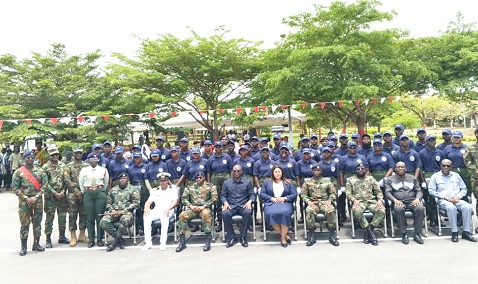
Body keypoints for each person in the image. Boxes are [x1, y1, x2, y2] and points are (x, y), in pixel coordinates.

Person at [428, 159, 477, 242]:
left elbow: (464, 189)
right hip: (444, 201)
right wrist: (445, 197)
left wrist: (458, 196)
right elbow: (431, 190)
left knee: (467, 207)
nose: (446, 167)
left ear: (451, 167)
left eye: (448, 166)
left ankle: (466, 232)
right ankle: (455, 232)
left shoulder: (456, 175)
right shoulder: (435, 176)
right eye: (444, 165)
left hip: (456, 199)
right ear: (440, 166)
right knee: (451, 208)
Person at [12, 150, 50, 256]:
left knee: (37, 223)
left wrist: (37, 196)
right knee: (24, 224)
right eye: (28, 158)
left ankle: (36, 244)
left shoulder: (40, 170)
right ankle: (23, 246)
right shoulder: (19, 172)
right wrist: (25, 197)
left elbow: (45, 184)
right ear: (24, 159)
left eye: (32, 157)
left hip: (37, 201)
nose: (30, 159)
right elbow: (15, 187)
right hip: (24, 202)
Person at [176, 171, 217, 252]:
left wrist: (203, 206)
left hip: (204, 208)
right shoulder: (190, 187)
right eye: (197, 178)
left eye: (200, 177)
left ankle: (207, 240)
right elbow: (184, 198)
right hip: (193, 209)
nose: (198, 179)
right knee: (182, 215)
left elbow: (214, 198)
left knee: (206, 214)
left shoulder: (211, 186)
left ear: (204, 178)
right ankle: (182, 241)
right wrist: (190, 206)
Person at [384, 162, 425, 245]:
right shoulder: (390, 179)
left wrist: (417, 199)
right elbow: (387, 192)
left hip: (412, 201)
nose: (400, 168)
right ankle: (404, 233)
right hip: (398, 201)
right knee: (399, 209)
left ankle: (417, 234)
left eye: (402, 167)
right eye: (398, 167)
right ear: (395, 169)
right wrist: (394, 200)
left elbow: (419, 191)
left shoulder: (412, 178)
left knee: (420, 208)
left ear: (405, 168)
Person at [346, 163, 385, 246]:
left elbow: (378, 191)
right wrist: (354, 200)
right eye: (358, 169)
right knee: (356, 211)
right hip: (359, 202)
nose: (360, 170)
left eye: (362, 168)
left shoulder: (371, 179)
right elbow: (348, 193)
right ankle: (371, 233)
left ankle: (368, 231)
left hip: (371, 201)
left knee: (381, 211)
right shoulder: (351, 180)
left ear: (365, 170)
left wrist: (380, 200)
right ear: (355, 171)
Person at [99, 173, 139, 252]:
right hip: (114, 212)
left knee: (125, 221)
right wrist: (112, 210)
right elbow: (108, 203)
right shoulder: (113, 189)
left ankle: (114, 243)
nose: (122, 180)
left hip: (126, 212)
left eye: (124, 178)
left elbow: (136, 203)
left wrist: (124, 211)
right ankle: (119, 239)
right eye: (121, 178)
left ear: (128, 180)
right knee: (103, 222)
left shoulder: (133, 189)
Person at [301, 164, 339, 247]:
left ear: (321, 171)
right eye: (315, 170)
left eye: (318, 170)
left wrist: (330, 200)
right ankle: (312, 235)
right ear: (312, 171)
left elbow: (333, 193)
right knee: (309, 211)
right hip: (313, 202)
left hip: (324, 202)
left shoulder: (327, 181)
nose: (316, 172)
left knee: (331, 210)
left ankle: (332, 234)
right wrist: (308, 201)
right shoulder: (307, 182)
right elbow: (303, 194)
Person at [260, 165, 298, 248]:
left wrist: (284, 198)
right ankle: (284, 236)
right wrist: (271, 198)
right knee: (270, 214)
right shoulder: (267, 182)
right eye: (275, 172)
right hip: (271, 203)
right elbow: (262, 194)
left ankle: (283, 239)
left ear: (282, 173)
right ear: (272, 173)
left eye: (279, 172)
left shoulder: (288, 182)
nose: (277, 173)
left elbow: (294, 194)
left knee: (284, 213)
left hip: (285, 203)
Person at [140, 172, 178, 251]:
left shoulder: (172, 190)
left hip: (168, 210)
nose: (162, 182)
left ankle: (163, 242)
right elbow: (148, 202)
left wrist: (168, 208)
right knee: (146, 216)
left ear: (167, 181)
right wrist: (146, 208)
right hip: (157, 210)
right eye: (161, 181)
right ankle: (148, 242)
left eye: (164, 180)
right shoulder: (155, 191)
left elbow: (175, 202)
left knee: (164, 216)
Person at [79, 153, 110, 248]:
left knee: (99, 216)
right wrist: (85, 192)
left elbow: (105, 183)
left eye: (95, 158)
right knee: (90, 218)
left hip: (99, 192)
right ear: (88, 160)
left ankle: (100, 239)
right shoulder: (84, 171)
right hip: (88, 193)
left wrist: (101, 191)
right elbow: (81, 183)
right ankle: (91, 239)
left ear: (98, 160)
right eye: (91, 158)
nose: (94, 160)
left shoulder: (103, 170)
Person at [221, 165, 256, 248]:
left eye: (238, 171)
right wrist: (225, 203)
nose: (236, 172)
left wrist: (250, 201)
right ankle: (231, 237)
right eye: (235, 171)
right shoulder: (226, 183)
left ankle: (243, 236)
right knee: (225, 213)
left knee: (248, 212)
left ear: (241, 171)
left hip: (243, 206)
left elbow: (252, 195)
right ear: (232, 172)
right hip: (231, 206)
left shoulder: (247, 182)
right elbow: (222, 195)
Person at [42, 146, 69, 248]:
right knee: (49, 219)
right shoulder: (45, 167)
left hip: (62, 196)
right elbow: (45, 183)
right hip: (50, 197)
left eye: (56, 154)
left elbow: (66, 180)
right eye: (53, 154)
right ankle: (48, 239)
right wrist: (55, 193)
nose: (55, 156)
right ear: (49, 155)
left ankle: (62, 236)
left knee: (62, 217)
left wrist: (63, 191)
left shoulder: (63, 166)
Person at [63, 146, 89, 246]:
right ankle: (73, 235)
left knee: (84, 213)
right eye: (76, 153)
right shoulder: (68, 166)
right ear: (73, 154)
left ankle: (82, 234)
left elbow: (89, 178)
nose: (78, 154)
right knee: (72, 215)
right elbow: (67, 180)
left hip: (84, 193)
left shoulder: (86, 165)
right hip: (72, 194)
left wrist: (83, 191)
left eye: (80, 153)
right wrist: (76, 191)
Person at [206, 141, 233, 233]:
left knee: (227, 198)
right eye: (216, 146)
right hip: (215, 178)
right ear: (214, 147)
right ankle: (220, 223)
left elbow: (231, 170)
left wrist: (232, 181)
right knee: (216, 201)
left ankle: (228, 223)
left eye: (219, 146)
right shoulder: (211, 158)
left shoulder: (227, 157)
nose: (218, 148)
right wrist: (209, 184)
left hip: (226, 176)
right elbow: (208, 172)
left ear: (222, 147)